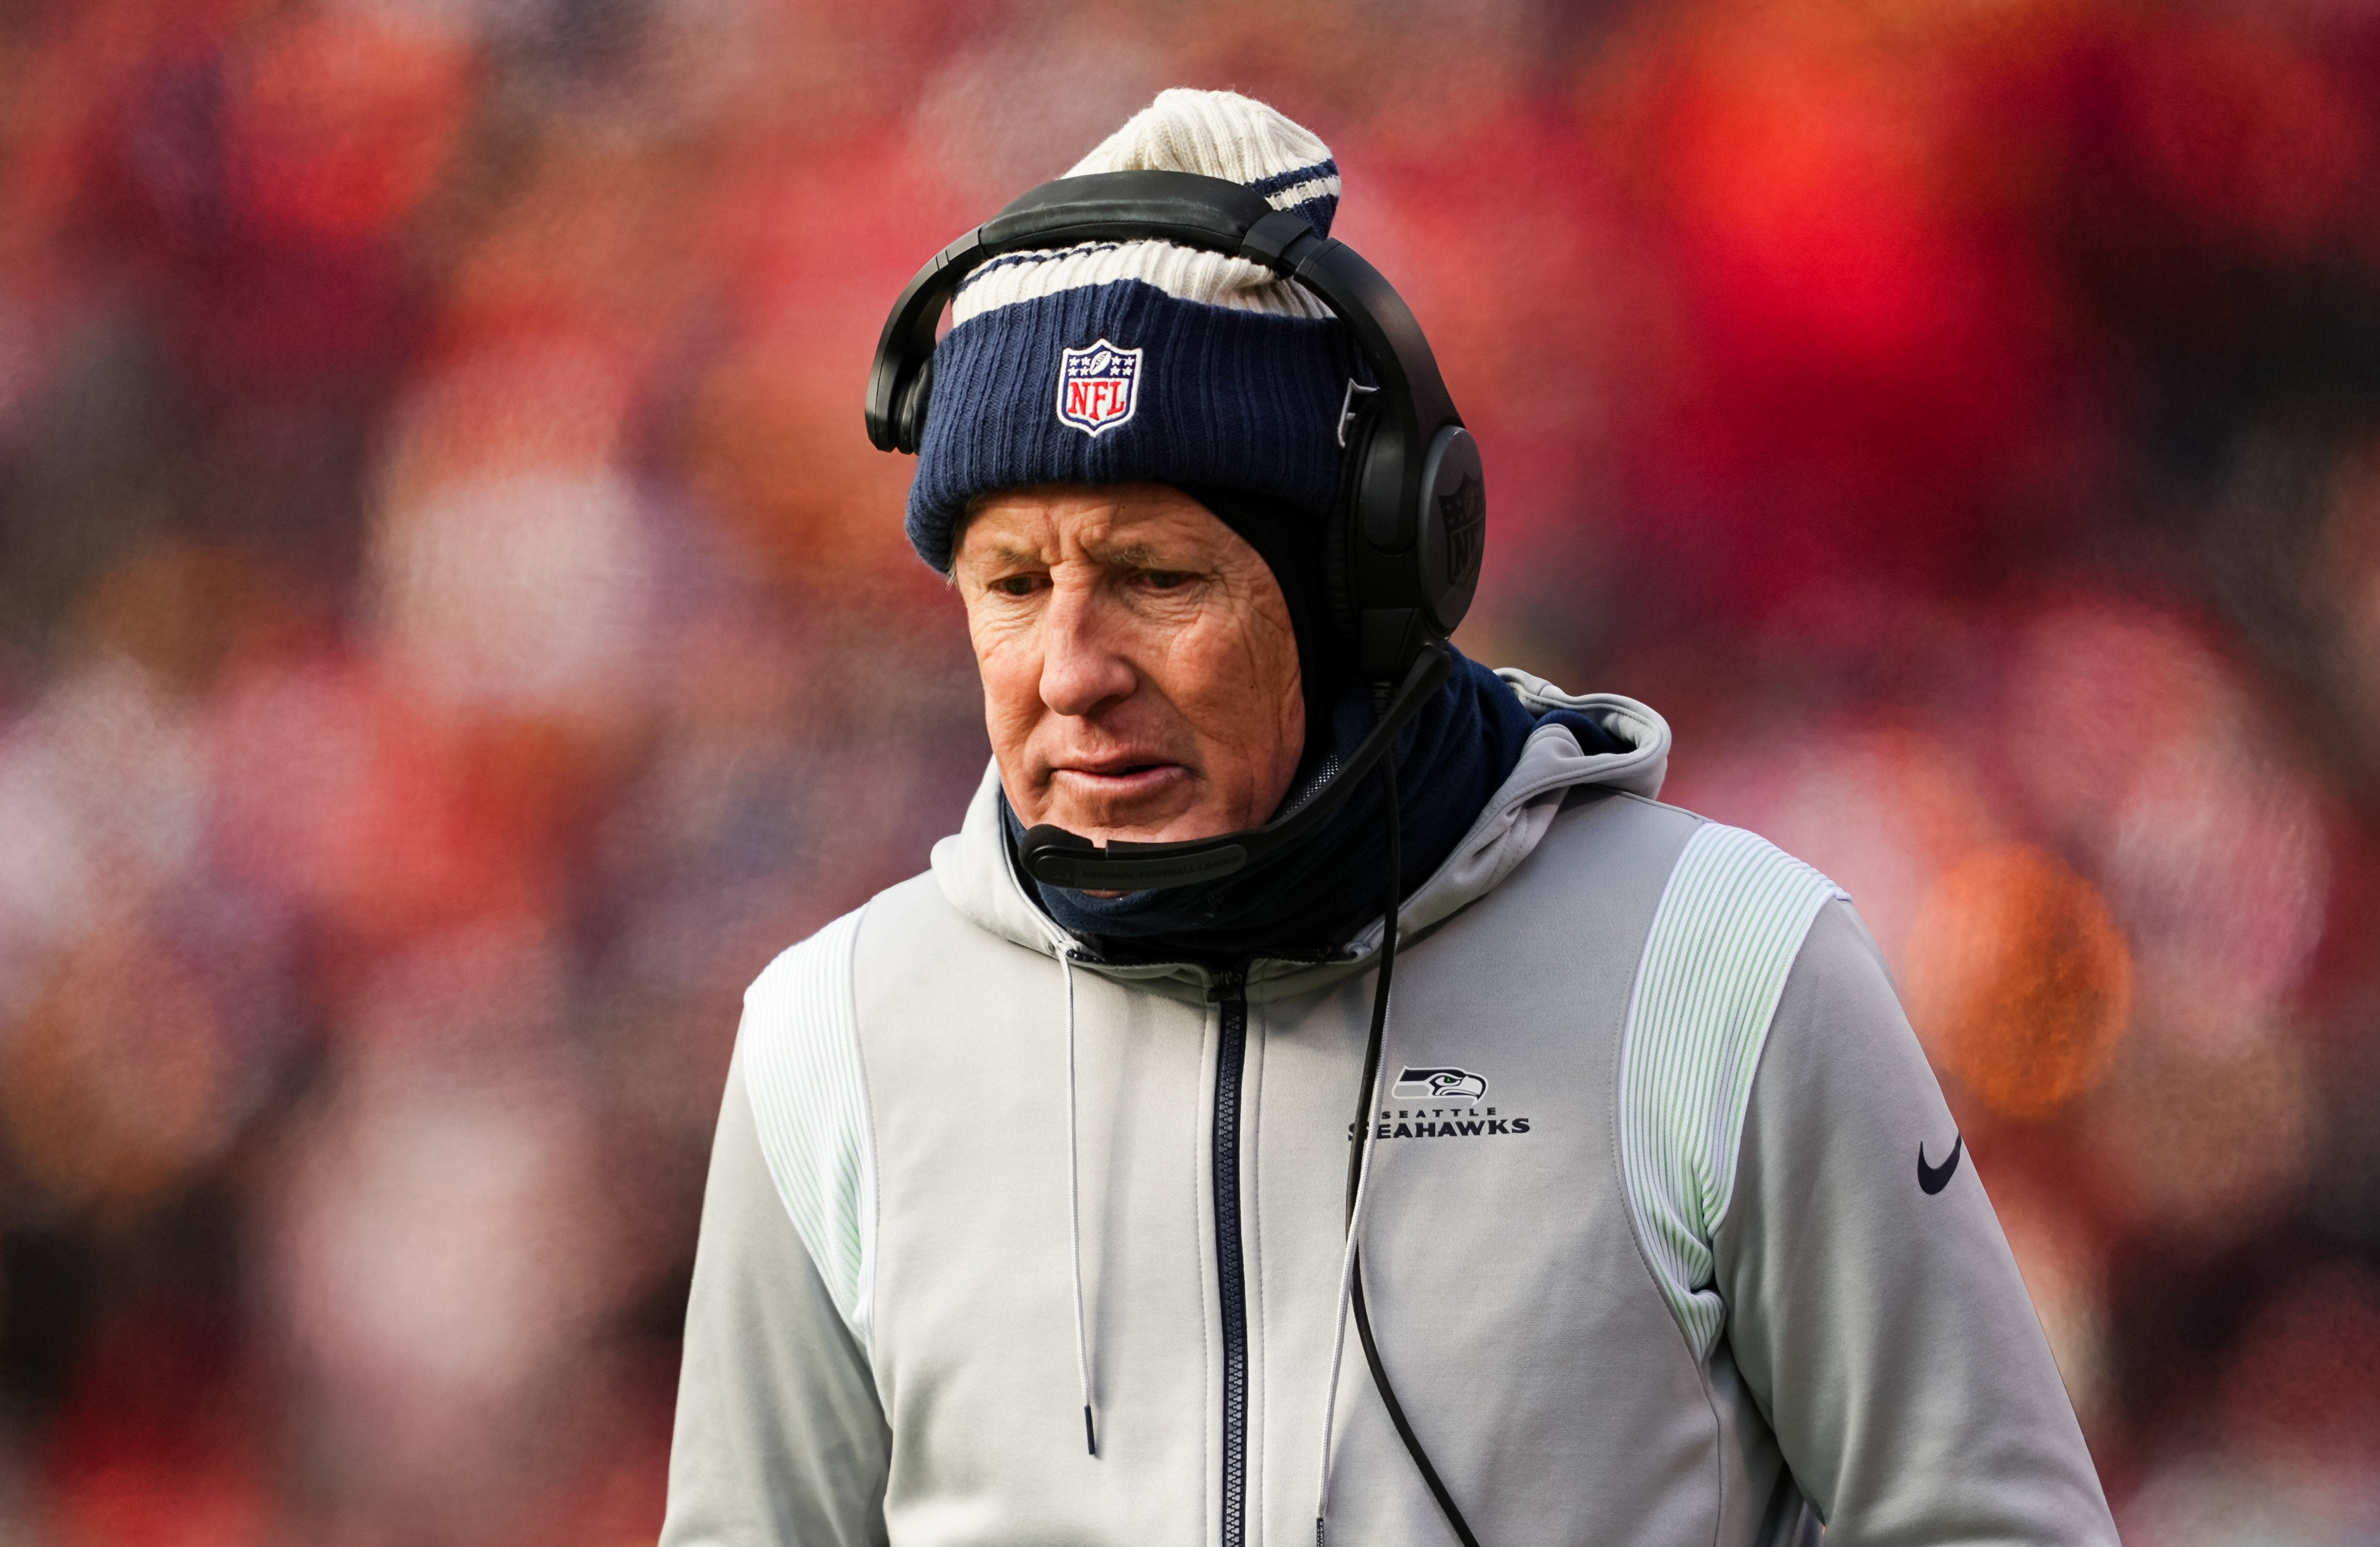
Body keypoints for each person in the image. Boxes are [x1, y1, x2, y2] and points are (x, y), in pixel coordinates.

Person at [659, 89, 2118, 1547]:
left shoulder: (1725, 965)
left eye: (1159, 578)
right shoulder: (827, 1039)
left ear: (1368, 585)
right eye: (1013, 585)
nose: (1072, 672)